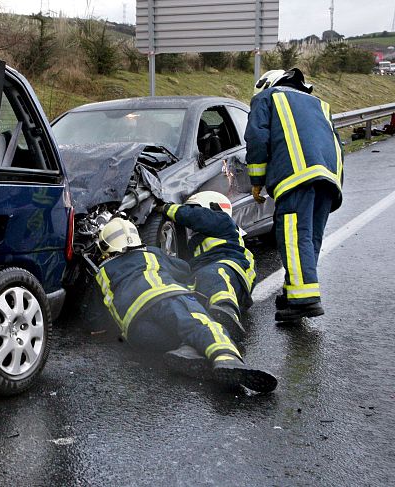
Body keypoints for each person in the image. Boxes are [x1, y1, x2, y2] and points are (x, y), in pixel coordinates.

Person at [93, 218, 277, 393]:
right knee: (201, 324)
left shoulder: (102, 273)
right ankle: (227, 359)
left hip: (137, 331)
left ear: (105, 246)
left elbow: (94, 318)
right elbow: (183, 269)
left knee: (178, 334)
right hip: (165, 299)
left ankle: (189, 353)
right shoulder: (150, 253)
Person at [245, 68, 343, 322]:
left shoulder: (266, 98)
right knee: (308, 239)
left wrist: (257, 180)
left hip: (296, 177)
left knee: (293, 237)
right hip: (329, 178)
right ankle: (295, 292)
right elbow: (336, 141)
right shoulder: (320, 104)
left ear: (267, 84)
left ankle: (305, 300)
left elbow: (256, 138)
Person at [157, 191, 256, 339]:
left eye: (194, 207)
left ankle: (226, 312)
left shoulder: (223, 222)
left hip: (228, 271)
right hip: (212, 279)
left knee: (212, 274)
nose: (192, 212)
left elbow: (198, 217)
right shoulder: (197, 240)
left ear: (211, 207)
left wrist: (166, 208)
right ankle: (196, 339)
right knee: (186, 296)